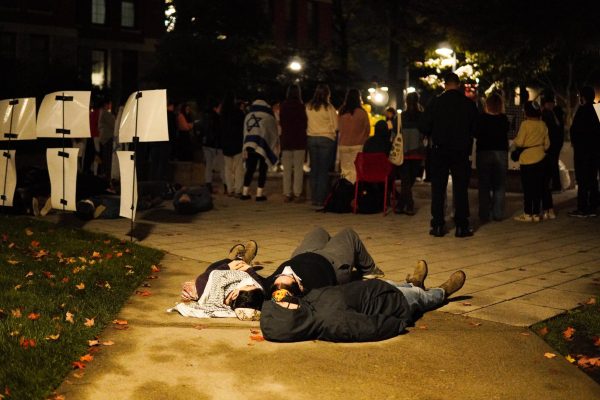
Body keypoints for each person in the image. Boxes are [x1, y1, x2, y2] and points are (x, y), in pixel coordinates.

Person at [260, 262, 466, 343]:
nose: (284, 301)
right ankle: (442, 291)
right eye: (285, 306)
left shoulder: (304, 304)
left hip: (375, 288)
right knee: (422, 297)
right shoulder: (333, 323)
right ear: (294, 321)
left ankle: (413, 282)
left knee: (407, 286)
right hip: (392, 302)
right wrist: (398, 322)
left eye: (279, 302)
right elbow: (370, 328)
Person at [419, 72, 478, 238]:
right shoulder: (468, 104)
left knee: (438, 187)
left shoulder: (435, 102)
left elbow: (423, 126)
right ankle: (461, 225)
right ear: (458, 85)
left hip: (439, 149)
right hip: (460, 150)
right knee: (460, 188)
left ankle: (438, 224)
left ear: (445, 85)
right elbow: (476, 128)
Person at [261, 227, 386, 299]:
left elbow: (257, 284)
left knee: (319, 231)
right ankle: (370, 270)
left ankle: (331, 244)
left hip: (304, 253)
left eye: (279, 277)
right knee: (348, 234)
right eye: (289, 276)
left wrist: (247, 269)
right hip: (332, 262)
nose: (286, 272)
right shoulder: (314, 292)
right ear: (300, 286)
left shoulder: (272, 287)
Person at [171, 241, 263, 320]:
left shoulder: (208, 292)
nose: (250, 283)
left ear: (234, 295)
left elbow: (209, 276)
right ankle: (243, 260)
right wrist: (249, 269)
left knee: (212, 269)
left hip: (221, 271)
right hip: (241, 271)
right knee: (251, 274)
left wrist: (227, 267)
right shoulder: (247, 299)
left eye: (248, 285)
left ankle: (232, 258)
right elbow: (261, 286)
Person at [474, 93, 509, 222]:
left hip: (484, 152)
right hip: (501, 152)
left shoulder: (481, 119)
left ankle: (484, 214)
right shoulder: (503, 119)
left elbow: (476, 133)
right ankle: (498, 213)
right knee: (499, 185)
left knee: (484, 185)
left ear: (487, 105)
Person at [512, 101, 550, 222]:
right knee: (538, 187)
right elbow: (547, 144)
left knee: (528, 188)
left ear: (527, 112)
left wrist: (514, 145)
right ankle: (536, 214)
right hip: (541, 158)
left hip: (527, 160)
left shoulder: (525, 124)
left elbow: (520, 142)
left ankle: (528, 214)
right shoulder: (543, 124)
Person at [568, 86, 600, 218]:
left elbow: (575, 131)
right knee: (592, 179)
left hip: (583, 153)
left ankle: (583, 208)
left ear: (583, 97)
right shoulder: (595, 112)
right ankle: (593, 206)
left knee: (582, 180)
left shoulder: (582, 111)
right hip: (594, 152)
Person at [306, 84, 338, 207]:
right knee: (323, 170)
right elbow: (336, 126)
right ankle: (321, 199)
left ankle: (314, 197)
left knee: (314, 169)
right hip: (326, 138)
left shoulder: (309, 106)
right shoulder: (329, 108)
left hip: (312, 138)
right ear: (327, 94)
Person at [241, 99, 279, 201]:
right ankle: (259, 194)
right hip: (263, 145)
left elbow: (245, 131)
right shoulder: (268, 116)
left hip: (250, 145)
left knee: (250, 169)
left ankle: (244, 193)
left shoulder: (248, 115)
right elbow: (273, 131)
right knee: (263, 169)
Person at [396, 92, 426, 216]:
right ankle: (407, 205)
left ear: (406, 102)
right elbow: (425, 134)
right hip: (417, 152)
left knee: (405, 180)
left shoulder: (401, 116)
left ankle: (403, 204)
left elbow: (394, 134)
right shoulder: (422, 117)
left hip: (403, 152)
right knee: (409, 180)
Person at [279, 84, 308, 203]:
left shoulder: (283, 106)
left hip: (286, 140)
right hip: (299, 140)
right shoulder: (301, 106)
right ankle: (297, 193)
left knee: (287, 169)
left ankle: (287, 193)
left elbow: (281, 122)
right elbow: (305, 123)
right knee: (298, 169)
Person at [338, 88, 370, 184]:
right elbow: (367, 130)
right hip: (358, 145)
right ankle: (353, 192)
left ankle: (345, 191)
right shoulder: (362, 113)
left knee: (344, 171)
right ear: (358, 98)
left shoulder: (342, 112)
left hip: (343, 145)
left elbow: (338, 127)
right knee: (356, 170)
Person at [220, 92, 245, 198]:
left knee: (228, 168)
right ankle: (238, 189)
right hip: (237, 142)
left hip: (226, 142)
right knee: (239, 168)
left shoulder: (222, 113)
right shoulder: (239, 113)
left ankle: (230, 189)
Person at [540, 95, 561, 219]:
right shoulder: (554, 113)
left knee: (545, 176)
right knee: (552, 167)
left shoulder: (547, 114)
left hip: (549, 147)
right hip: (554, 145)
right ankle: (555, 186)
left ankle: (539, 209)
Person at [201, 99, 224, 194]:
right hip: (215, 145)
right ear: (216, 108)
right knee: (222, 165)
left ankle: (208, 183)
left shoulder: (205, 116)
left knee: (208, 165)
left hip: (206, 144)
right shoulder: (217, 118)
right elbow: (218, 132)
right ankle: (226, 184)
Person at [97, 98, 115, 179]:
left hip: (104, 138)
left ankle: (104, 173)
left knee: (105, 157)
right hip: (107, 138)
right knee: (107, 158)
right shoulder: (105, 112)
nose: (110, 106)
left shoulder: (102, 112)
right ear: (106, 104)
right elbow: (113, 123)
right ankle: (106, 175)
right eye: (110, 104)